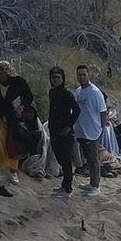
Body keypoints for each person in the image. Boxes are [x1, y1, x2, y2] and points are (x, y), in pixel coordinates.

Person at [0, 60, 36, 183]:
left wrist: (22, 107)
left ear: (7, 72)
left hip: (14, 118)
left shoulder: (19, 82)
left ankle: (13, 171)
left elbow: (29, 97)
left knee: (14, 144)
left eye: (2, 73)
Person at [73, 65, 109, 199]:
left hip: (93, 131)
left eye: (84, 74)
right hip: (81, 131)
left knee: (94, 159)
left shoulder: (95, 92)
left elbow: (103, 112)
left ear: (88, 75)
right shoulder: (78, 91)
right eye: (79, 75)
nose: (81, 77)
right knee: (87, 158)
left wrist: (102, 128)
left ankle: (96, 186)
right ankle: (91, 183)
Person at [45, 65, 81, 199]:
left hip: (65, 132)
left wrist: (68, 126)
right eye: (53, 77)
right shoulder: (52, 92)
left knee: (66, 160)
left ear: (62, 78)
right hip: (54, 130)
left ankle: (68, 187)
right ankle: (64, 184)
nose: (55, 80)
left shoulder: (67, 94)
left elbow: (77, 110)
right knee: (60, 158)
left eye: (57, 77)